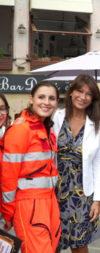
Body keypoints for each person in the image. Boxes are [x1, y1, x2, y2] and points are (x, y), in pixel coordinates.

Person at [1, 81, 61, 253]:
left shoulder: (45, 127)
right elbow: (9, 175)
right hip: (29, 203)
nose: (46, 102)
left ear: (57, 102)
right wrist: (8, 213)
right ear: (31, 99)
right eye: (41, 97)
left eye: (52, 98)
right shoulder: (21, 129)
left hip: (49, 201)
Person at [53, 74, 100, 252]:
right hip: (54, 191)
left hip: (82, 194)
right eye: (79, 91)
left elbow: (99, 164)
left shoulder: (97, 125)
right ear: (71, 92)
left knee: (80, 245)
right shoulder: (55, 118)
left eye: (88, 94)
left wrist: (97, 200)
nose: (83, 97)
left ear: (93, 100)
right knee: (52, 243)